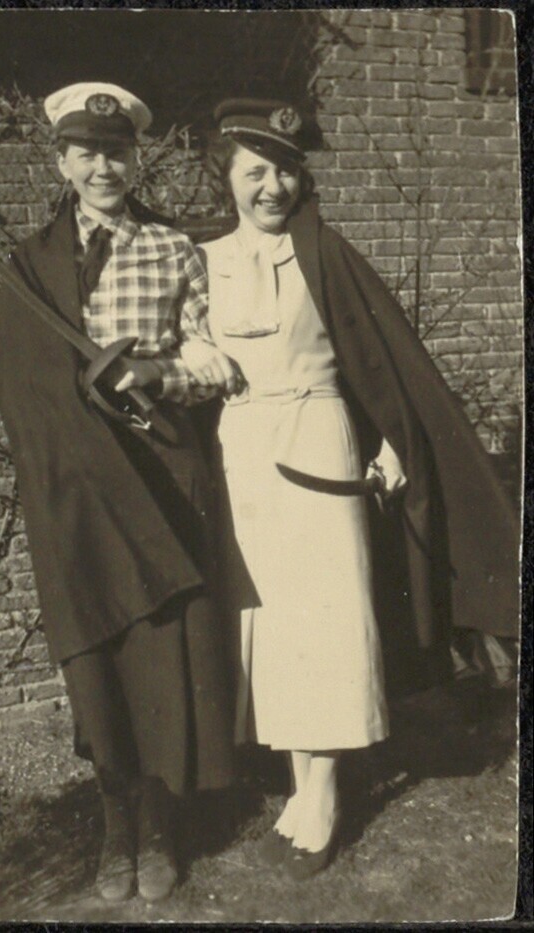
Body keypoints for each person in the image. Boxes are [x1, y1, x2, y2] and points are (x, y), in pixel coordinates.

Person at [183, 98, 520, 880]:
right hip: (240, 451)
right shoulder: (199, 260)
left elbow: (382, 360)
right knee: (270, 623)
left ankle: (324, 794)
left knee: (326, 619)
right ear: (226, 176)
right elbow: (177, 343)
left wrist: (393, 441)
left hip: (318, 439)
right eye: (254, 171)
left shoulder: (325, 254)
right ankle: (298, 782)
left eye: (285, 170)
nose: (271, 187)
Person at [0, 82, 237, 903]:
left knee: (160, 654)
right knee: (93, 654)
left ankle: (159, 826)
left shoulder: (173, 248)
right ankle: (113, 824)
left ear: (136, 158)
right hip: (73, 489)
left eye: (117, 151)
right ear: (61, 162)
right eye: (87, 152)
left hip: (157, 476)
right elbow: (14, 383)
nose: (104, 167)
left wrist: (153, 375)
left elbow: (211, 363)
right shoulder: (28, 265)